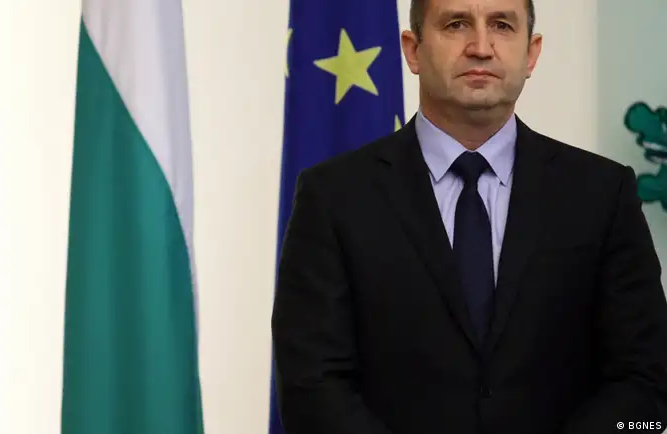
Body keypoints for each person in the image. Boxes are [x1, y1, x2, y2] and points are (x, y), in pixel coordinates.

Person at [270, 0, 667, 433]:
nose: (480, 46)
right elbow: (312, 387)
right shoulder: (334, 197)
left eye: (502, 25)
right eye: (456, 24)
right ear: (413, 50)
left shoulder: (602, 193)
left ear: (531, 53)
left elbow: (646, 380)